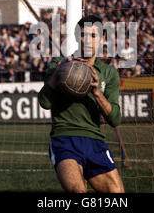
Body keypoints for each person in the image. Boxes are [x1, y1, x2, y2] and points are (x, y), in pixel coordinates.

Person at [38, 15, 125, 193]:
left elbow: (115, 119)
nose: (88, 40)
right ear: (77, 37)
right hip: (65, 139)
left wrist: (97, 93)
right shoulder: (59, 64)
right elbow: (44, 102)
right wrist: (58, 76)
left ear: (101, 39)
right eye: (84, 35)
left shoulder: (108, 73)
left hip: (95, 142)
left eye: (93, 36)